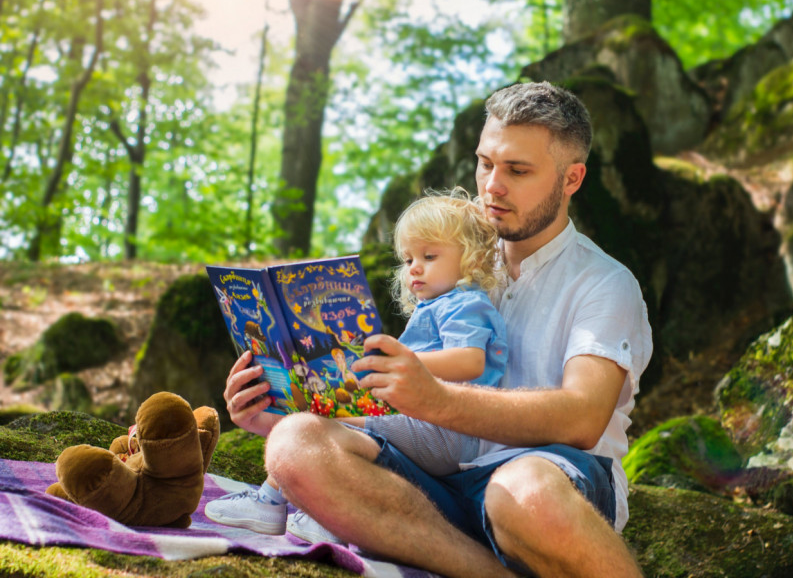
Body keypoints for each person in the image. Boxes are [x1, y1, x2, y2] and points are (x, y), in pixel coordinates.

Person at [224, 81, 651, 577]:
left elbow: (582, 417)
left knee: (524, 490)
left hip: (549, 482)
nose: (492, 185)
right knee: (294, 443)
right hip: (436, 480)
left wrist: (433, 398)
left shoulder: (604, 283)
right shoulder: (453, 260)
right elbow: (399, 402)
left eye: (517, 170)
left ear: (571, 178)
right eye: (486, 163)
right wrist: (277, 405)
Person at [206, 190, 508, 539]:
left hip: (447, 431)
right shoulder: (438, 306)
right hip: (425, 424)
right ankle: (302, 507)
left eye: (429, 255)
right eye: (408, 259)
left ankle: (278, 504)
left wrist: (401, 362)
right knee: (319, 419)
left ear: (472, 258)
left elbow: (470, 361)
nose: (415, 268)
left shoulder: (467, 303)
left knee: (328, 425)